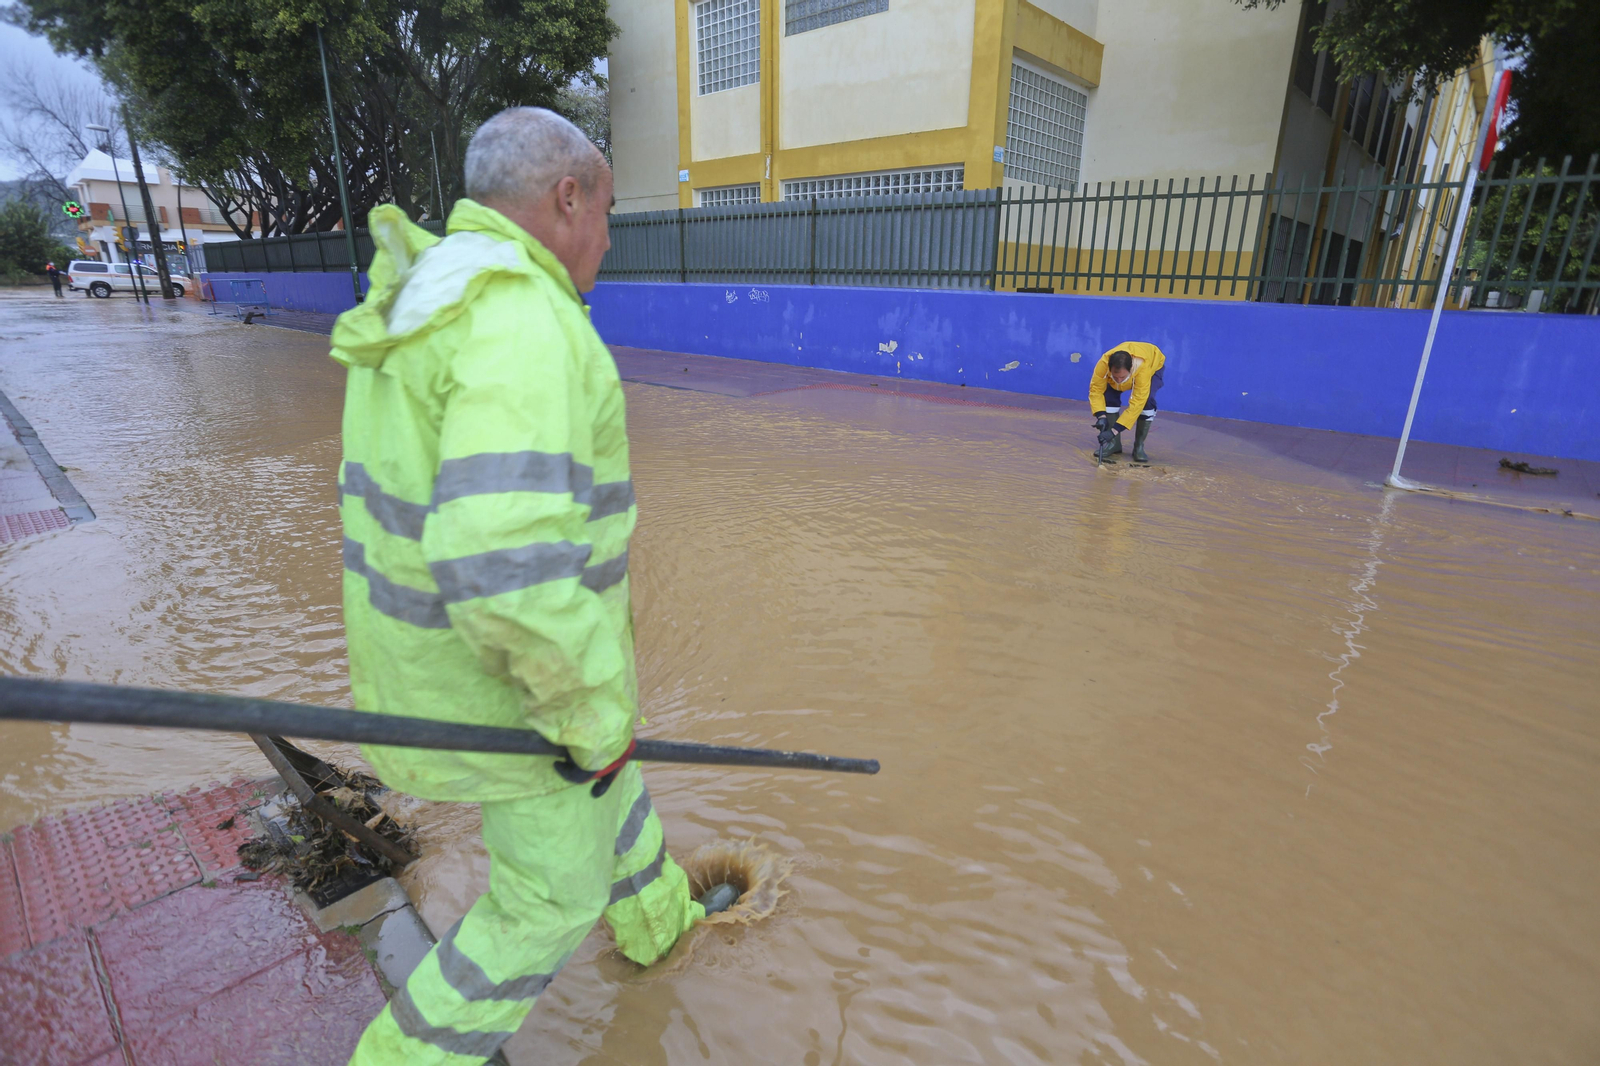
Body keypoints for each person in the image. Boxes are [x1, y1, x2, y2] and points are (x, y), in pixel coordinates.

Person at [331, 107, 735, 1066]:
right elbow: (503, 566)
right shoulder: (521, 319)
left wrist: (606, 723)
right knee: (546, 900)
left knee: (615, 783)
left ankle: (659, 926)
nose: (605, 240)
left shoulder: (436, 289)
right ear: (568, 198)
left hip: (447, 666)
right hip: (512, 689)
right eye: (604, 215)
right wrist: (589, 713)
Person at [1090, 342, 1167, 463]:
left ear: (1130, 370)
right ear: (1109, 369)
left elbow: (1138, 402)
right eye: (1115, 376)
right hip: (1123, 369)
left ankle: (1139, 447)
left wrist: (1113, 431)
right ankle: (1113, 445)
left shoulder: (1143, 367)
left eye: (1122, 377)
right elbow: (1096, 390)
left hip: (1153, 364)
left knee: (1146, 402)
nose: (1119, 381)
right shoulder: (1103, 364)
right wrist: (1101, 416)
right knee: (1109, 396)